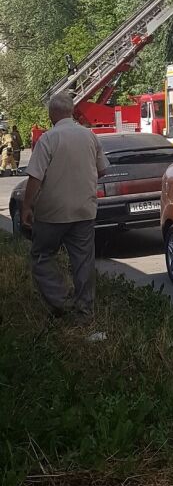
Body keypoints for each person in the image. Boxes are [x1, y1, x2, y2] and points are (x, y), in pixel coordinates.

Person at [22, 92, 110, 325]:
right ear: (71, 111)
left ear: (52, 114)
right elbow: (102, 170)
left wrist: (27, 207)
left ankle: (61, 301)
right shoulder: (89, 136)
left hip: (52, 213)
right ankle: (84, 313)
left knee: (41, 256)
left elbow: (35, 177)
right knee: (83, 262)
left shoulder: (48, 139)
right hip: (84, 210)